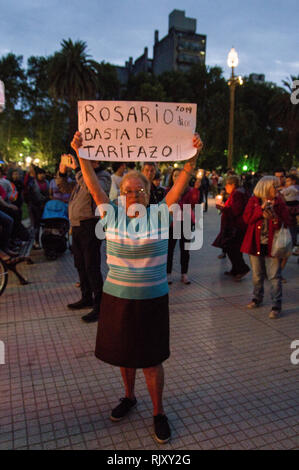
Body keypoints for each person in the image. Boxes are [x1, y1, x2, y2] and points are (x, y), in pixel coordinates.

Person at [71, 130, 203, 444]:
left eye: (140, 189)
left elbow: (181, 183)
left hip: (152, 300)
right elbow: (91, 183)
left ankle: (158, 412)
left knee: (151, 358)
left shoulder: (160, 214)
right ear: (121, 194)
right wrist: (80, 154)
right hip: (117, 299)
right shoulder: (111, 214)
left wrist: (193, 157)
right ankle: (129, 397)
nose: (134, 194)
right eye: (129, 190)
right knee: (124, 355)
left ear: (148, 193)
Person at [55, 153, 111, 323]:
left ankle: (100, 305)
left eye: (87, 159)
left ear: (97, 160)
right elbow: (64, 188)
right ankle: (86, 297)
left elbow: (90, 189)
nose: (83, 162)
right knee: (80, 264)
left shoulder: (103, 176)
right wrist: (62, 170)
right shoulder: (83, 176)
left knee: (91, 265)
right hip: (77, 225)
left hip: (91, 224)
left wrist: (78, 169)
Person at [241, 176, 291, 319]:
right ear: (265, 187)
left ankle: (276, 305)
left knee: (274, 276)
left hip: (273, 245)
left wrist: (274, 217)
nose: (277, 189)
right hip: (255, 243)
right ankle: (257, 298)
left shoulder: (280, 202)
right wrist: (260, 210)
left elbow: (287, 221)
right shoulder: (254, 201)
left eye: (277, 186)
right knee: (257, 275)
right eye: (274, 186)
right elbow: (247, 219)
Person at [166, 168, 201, 285]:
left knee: (185, 249)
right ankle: (168, 273)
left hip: (185, 221)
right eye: (174, 175)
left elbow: (194, 204)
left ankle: (184, 273)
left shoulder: (190, 190)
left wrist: (196, 190)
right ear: (171, 177)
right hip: (172, 223)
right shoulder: (168, 190)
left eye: (179, 175)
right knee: (169, 249)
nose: (176, 177)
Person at [212, 175, 250, 280]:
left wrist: (223, 208)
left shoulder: (238, 194)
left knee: (232, 248)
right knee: (233, 248)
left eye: (227, 185)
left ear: (232, 184)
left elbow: (236, 210)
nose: (225, 187)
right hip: (235, 226)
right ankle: (235, 270)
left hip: (236, 226)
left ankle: (242, 269)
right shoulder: (239, 192)